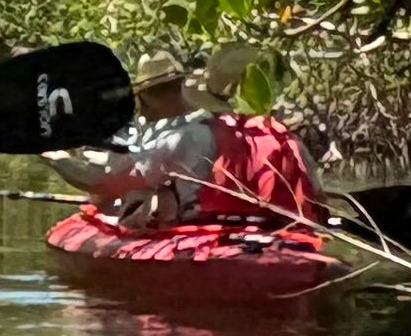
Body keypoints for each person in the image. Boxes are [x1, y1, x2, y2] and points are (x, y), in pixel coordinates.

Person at [45, 44, 321, 234]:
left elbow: (102, 182)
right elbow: (317, 197)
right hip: (284, 237)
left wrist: (51, 154)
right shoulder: (284, 136)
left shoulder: (190, 138)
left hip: (216, 238)